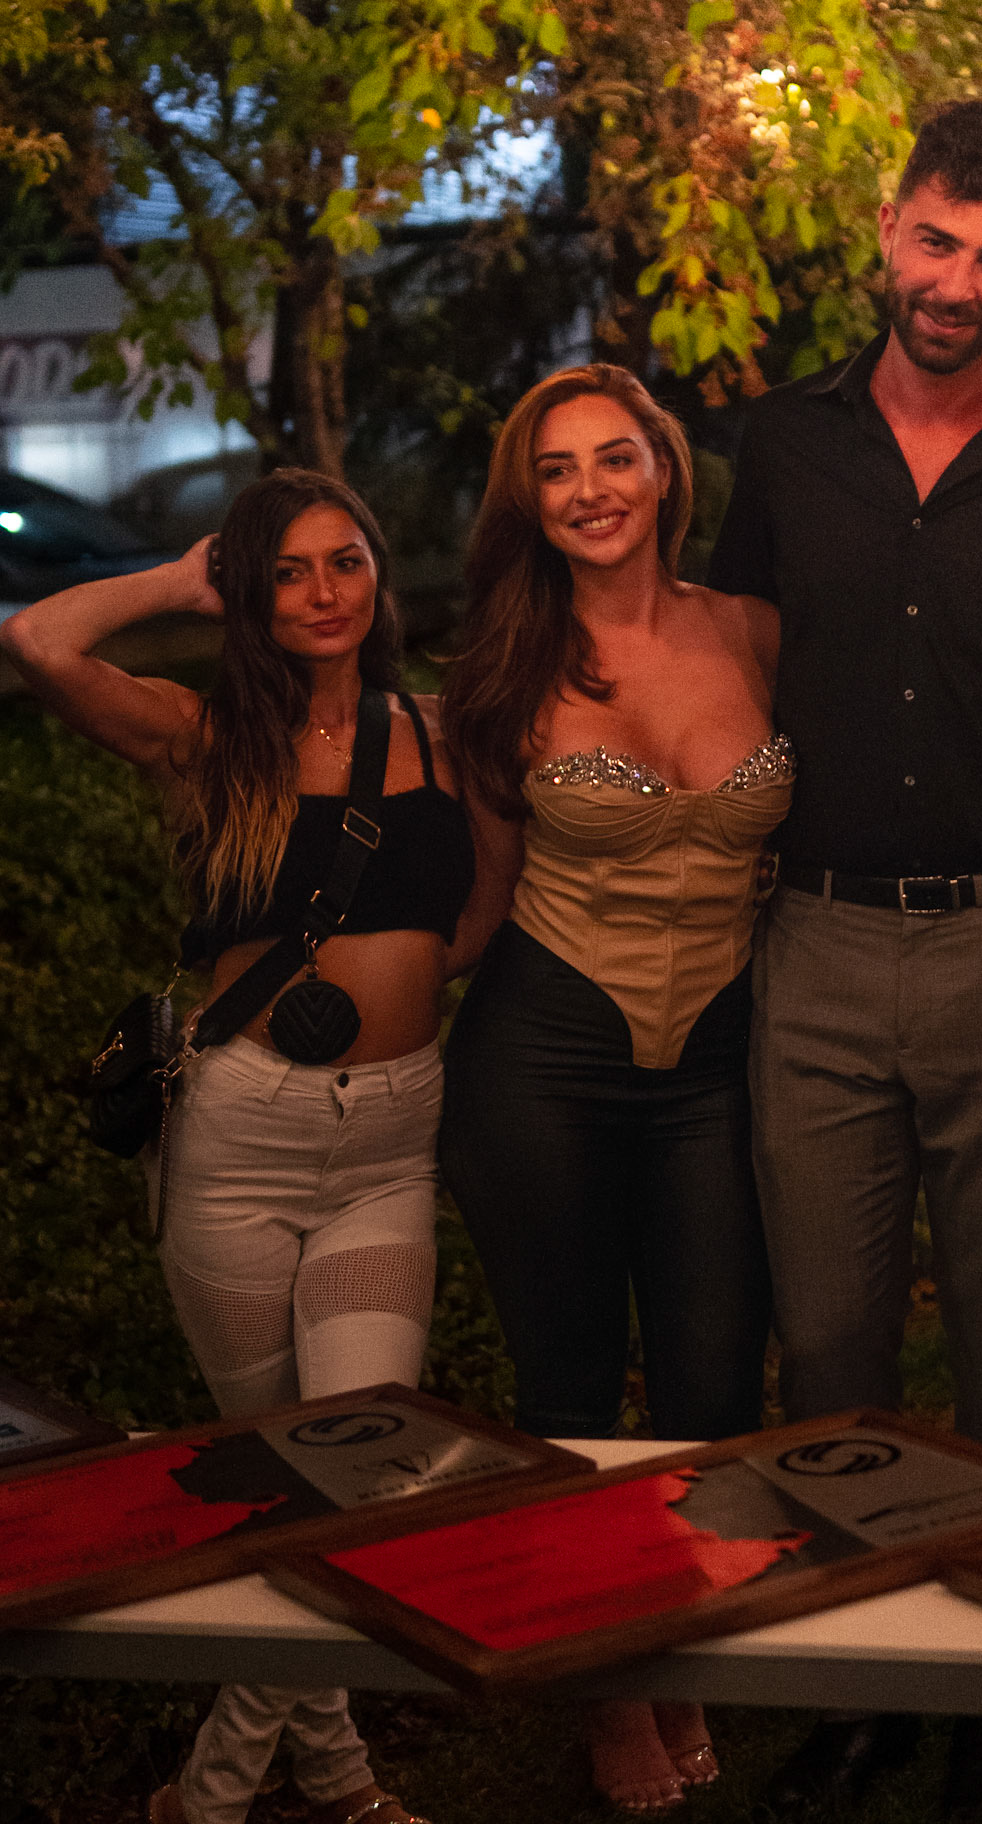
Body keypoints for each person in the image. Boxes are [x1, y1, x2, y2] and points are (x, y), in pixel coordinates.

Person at [709, 98, 982, 1822]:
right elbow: (730, 663)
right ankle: (859, 1684)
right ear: (888, 229)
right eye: (937, 242)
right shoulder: (782, 443)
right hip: (812, 942)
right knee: (824, 1344)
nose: (957, 282)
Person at [0, 469, 479, 1824]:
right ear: (249, 594)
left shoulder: (440, 737)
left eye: (346, 562)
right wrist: (180, 576)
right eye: (288, 570)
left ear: (379, 576)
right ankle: (335, 1770)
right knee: (288, 1480)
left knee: (348, 1477)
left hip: (390, 1141)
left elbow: (483, 912)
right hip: (240, 1140)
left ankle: (202, 1801)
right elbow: (37, 639)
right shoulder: (202, 738)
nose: (324, 591)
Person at [436, 363, 788, 1816]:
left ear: (664, 470)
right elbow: (479, 898)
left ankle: (678, 1635)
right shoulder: (501, 668)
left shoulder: (755, 628)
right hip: (544, 1058)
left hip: (719, 1060)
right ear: (529, 500)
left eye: (614, 458)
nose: (590, 490)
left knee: (712, 1383)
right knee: (570, 1387)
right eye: (557, 469)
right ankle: (607, 1685)